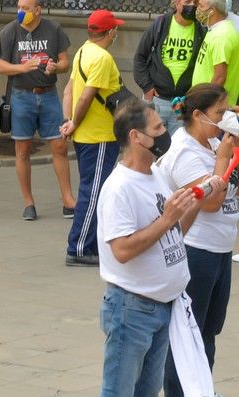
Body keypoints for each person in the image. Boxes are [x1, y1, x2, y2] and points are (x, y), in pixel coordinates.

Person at [88, 100, 212, 397]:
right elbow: (122, 250)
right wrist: (166, 220)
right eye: (158, 128)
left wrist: (189, 206)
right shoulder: (119, 188)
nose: (165, 133)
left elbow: (172, 233)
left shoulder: (156, 175)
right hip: (131, 309)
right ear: (136, 137)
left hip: (163, 305)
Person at [160, 84, 239, 397]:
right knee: (187, 328)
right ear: (197, 114)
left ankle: (202, 393)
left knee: (209, 326)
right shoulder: (185, 152)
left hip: (220, 249)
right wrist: (223, 159)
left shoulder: (210, 137)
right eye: (219, 113)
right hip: (197, 249)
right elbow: (208, 202)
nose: (224, 120)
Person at [0, 0, 75, 221]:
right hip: (21, 95)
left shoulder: (53, 29)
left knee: (59, 145)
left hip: (48, 94)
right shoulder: (10, 31)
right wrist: (22, 67)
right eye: (19, 8)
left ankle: (68, 200)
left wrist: (56, 67)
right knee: (22, 149)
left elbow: (65, 62)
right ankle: (28, 202)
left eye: (26, 9)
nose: (21, 13)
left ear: (38, 9)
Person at [61, 10, 124, 268]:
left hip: (87, 135)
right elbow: (85, 96)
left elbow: (68, 90)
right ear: (110, 32)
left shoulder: (83, 52)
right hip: (99, 136)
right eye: (115, 29)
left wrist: (68, 121)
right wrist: (74, 122)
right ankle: (78, 248)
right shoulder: (102, 58)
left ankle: (90, 245)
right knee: (94, 191)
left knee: (93, 188)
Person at [134, 0, 205, 133]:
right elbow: (140, 57)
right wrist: (147, 86)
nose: (192, 6)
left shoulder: (201, 30)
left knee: (177, 149)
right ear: (177, 3)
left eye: (196, 2)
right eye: (188, 1)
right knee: (153, 147)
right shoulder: (160, 24)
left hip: (183, 104)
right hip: (158, 101)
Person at [193, 0, 239, 104]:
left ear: (212, 10)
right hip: (209, 104)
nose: (197, 9)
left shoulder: (221, 36)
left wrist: (203, 103)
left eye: (201, 6)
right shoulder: (216, 29)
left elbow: (220, 77)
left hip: (214, 108)